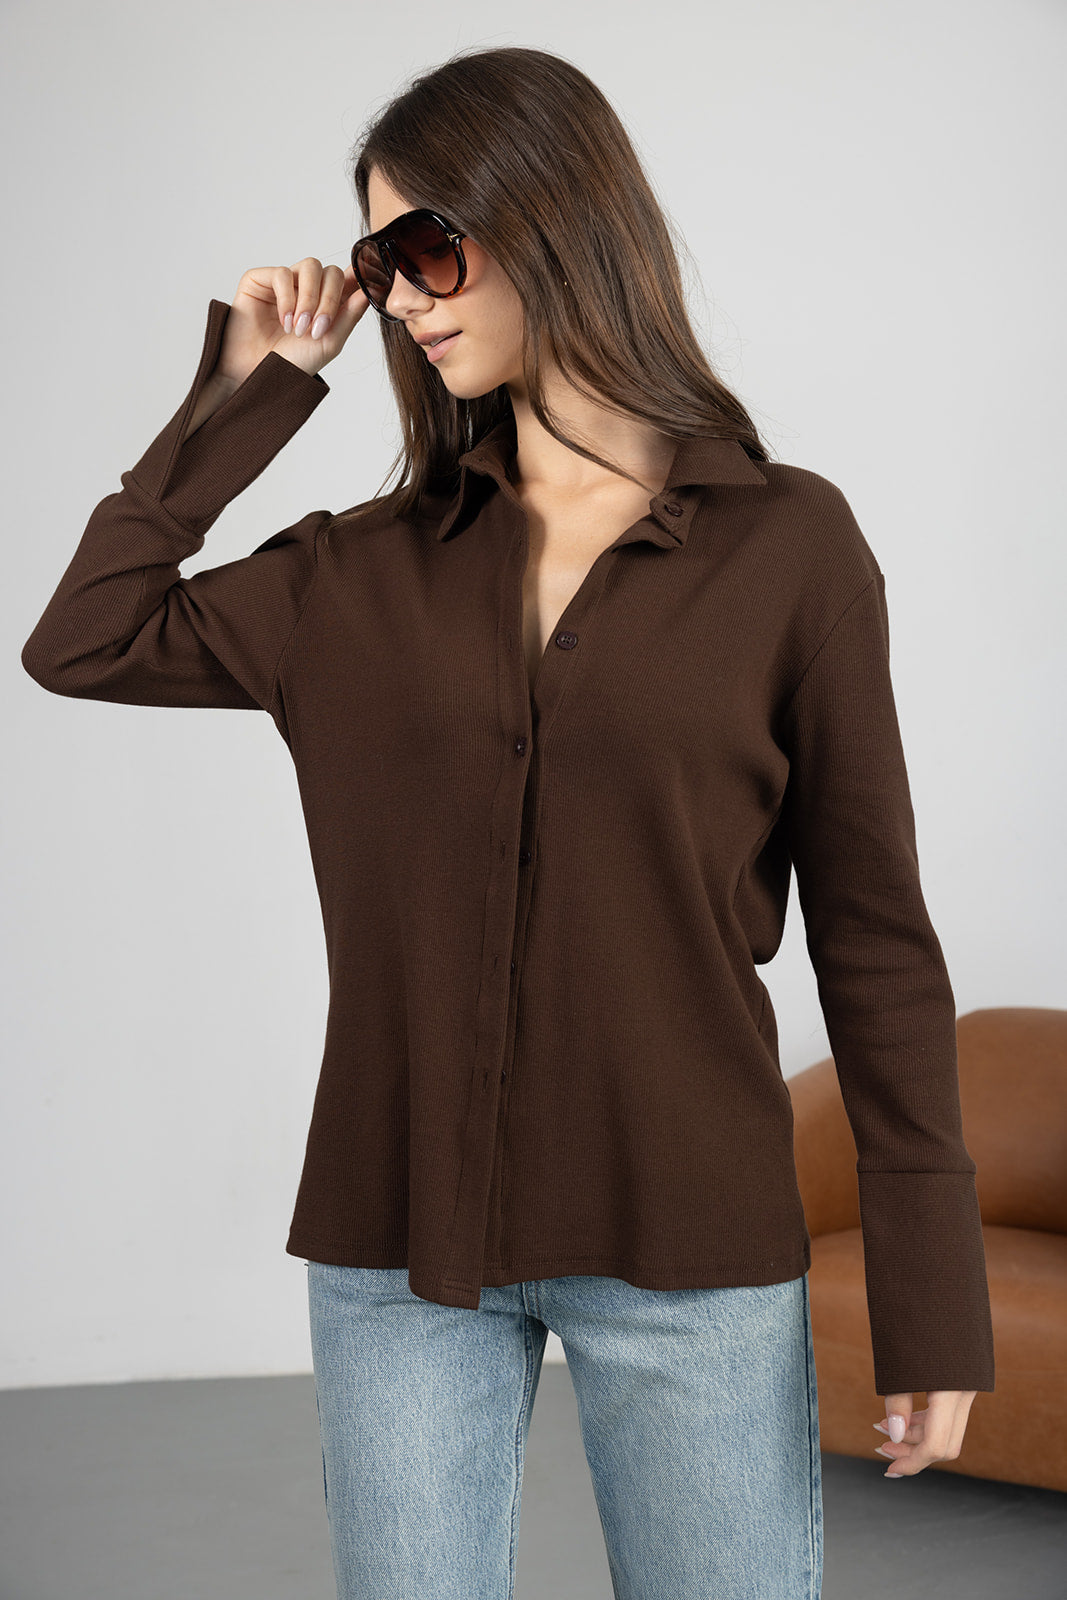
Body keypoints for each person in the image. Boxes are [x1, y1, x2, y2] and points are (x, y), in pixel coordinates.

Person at [22, 43, 994, 1600]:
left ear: (555, 213)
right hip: (398, 1248)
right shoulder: (355, 574)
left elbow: (877, 943)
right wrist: (248, 392)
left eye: (427, 246)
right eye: (376, 264)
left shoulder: (791, 549)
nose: (402, 298)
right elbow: (83, 639)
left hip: (690, 1247)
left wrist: (934, 1307)